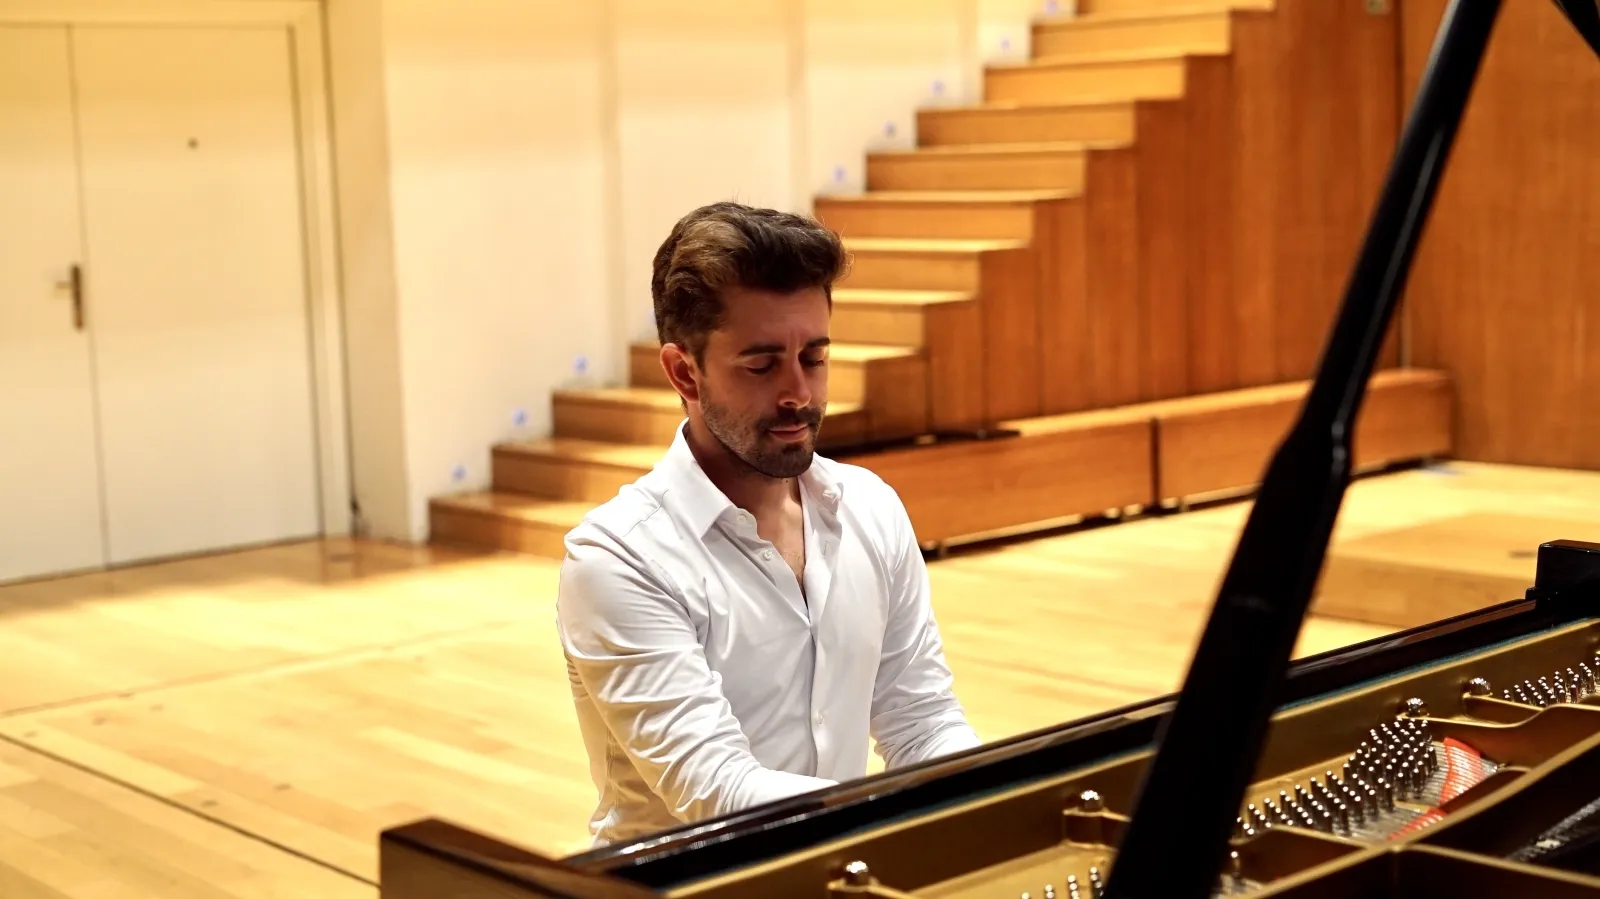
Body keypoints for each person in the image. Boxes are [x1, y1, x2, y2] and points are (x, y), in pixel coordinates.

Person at [555, 200, 981, 848]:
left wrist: (1000, 795)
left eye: (813, 358)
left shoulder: (869, 507)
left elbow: (921, 723)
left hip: (840, 868)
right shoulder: (618, 560)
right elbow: (719, 792)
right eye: (761, 365)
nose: (799, 394)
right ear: (683, 372)